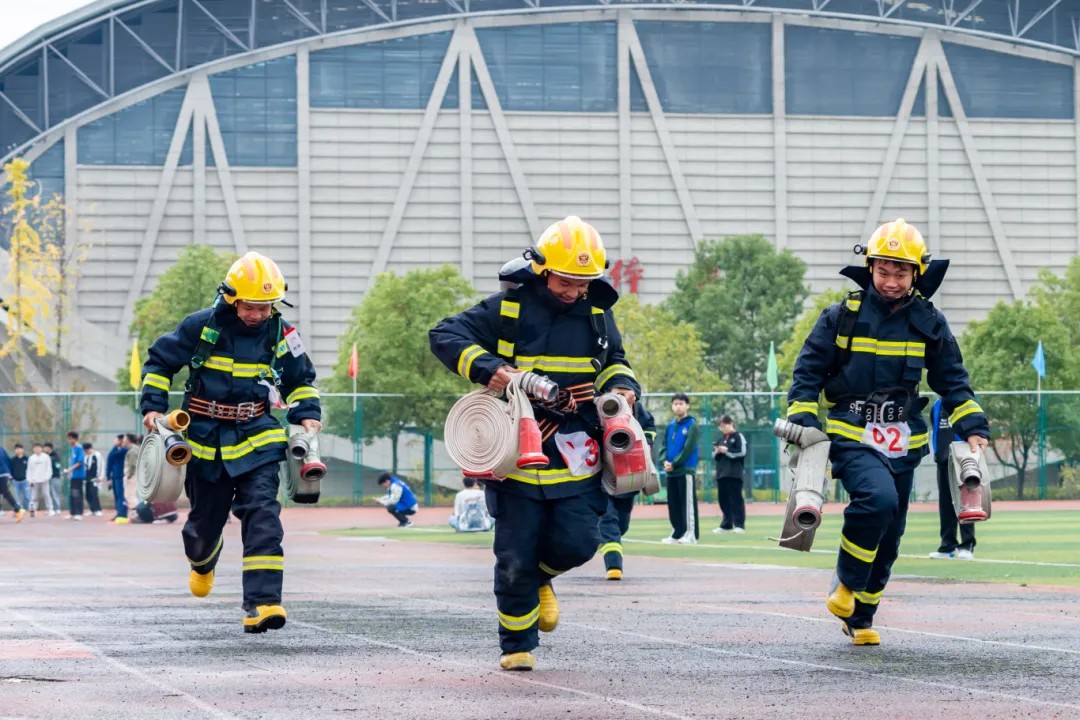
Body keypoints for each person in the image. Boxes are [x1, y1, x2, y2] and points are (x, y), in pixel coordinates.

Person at [429, 216, 640, 671]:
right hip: (515, 456)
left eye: (583, 282)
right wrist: (492, 370)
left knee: (580, 543)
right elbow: (444, 335)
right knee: (514, 555)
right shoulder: (507, 309)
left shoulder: (599, 313)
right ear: (543, 270)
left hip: (577, 453)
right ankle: (516, 645)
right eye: (566, 280)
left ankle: (543, 578)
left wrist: (622, 388)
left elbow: (613, 362)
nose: (573, 290)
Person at [786, 218, 990, 646]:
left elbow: (953, 381)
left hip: (905, 440)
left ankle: (862, 615)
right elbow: (807, 372)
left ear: (917, 273)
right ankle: (846, 582)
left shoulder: (930, 322)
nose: (891, 281)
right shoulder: (841, 316)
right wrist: (803, 417)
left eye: (900, 272)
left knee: (892, 534)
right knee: (876, 501)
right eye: (883, 271)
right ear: (870, 268)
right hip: (851, 433)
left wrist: (973, 427)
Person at [140, 251, 321, 634]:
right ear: (231, 297)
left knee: (263, 516)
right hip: (204, 440)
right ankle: (203, 559)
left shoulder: (284, 334)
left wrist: (307, 413)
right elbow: (159, 363)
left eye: (265, 307)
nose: (258, 314)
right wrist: (152, 408)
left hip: (258, 437)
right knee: (204, 526)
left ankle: (263, 602)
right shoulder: (199, 327)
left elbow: (300, 380)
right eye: (251, 306)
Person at [597, 403, 657, 581]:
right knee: (608, 521)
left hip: (630, 473)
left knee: (621, 525)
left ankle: (607, 539)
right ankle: (614, 565)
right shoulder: (601, 405)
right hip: (603, 474)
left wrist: (646, 443)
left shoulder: (638, 409)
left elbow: (649, 428)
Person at [929, 397, 976, 560]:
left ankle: (967, 545)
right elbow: (935, 429)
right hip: (942, 459)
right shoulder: (936, 405)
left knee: (965, 502)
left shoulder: (963, 400)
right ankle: (947, 545)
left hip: (962, 458)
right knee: (945, 504)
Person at [660, 393, 699, 545]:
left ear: (687, 406)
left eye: (681, 403)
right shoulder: (671, 426)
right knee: (674, 504)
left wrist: (675, 463)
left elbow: (688, 448)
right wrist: (665, 461)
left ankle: (691, 534)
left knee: (687, 504)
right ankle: (677, 532)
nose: (678, 406)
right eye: (675, 404)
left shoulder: (692, 425)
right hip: (670, 472)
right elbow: (663, 445)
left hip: (685, 470)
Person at [712, 415, 747, 534]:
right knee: (723, 500)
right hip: (722, 474)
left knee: (736, 500)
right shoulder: (720, 438)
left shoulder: (738, 436)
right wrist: (717, 451)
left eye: (724, 425)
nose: (723, 428)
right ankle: (726, 524)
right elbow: (715, 457)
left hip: (734, 474)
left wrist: (726, 451)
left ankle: (739, 525)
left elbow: (742, 453)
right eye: (721, 426)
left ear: (731, 423)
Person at [62, 431, 87, 520]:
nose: (69, 440)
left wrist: (70, 469)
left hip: (79, 475)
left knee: (77, 494)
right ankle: (72, 512)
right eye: (68, 439)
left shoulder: (79, 448)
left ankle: (79, 513)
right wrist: (69, 471)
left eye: (70, 438)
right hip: (73, 476)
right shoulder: (72, 449)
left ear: (75, 439)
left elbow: (80, 462)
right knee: (72, 494)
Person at [106, 434, 129, 523]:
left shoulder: (126, 450)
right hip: (115, 476)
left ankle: (122, 513)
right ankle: (119, 512)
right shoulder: (114, 450)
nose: (114, 442)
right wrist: (108, 477)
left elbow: (114, 456)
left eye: (116, 440)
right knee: (117, 495)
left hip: (123, 476)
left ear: (121, 441)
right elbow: (109, 462)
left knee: (121, 495)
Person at [0, 445, 26, 522]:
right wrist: (9, 473)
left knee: (5, 492)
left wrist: (9, 473)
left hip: (2, 474)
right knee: (5, 492)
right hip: (4, 473)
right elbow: (8, 460)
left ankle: (18, 509)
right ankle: (18, 509)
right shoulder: (2, 449)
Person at [27, 443, 54, 517]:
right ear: (33, 449)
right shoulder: (31, 458)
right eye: (35, 448)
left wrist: (47, 477)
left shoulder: (46, 457)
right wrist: (29, 479)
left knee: (46, 495)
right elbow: (29, 470)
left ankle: (50, 509)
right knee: (34, 497)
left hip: (44, 480)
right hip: (34, 480)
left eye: (38, 448)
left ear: (41, 449)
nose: (37, 449)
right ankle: (33, 510)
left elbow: (49, 468)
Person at [83, 442, 105, 517]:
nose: (87, 452)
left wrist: (101, 477)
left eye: (87, 450)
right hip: (87, 478)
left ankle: (98, 509)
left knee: (94, 494)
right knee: (87, 494)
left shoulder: (97, 455)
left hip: (95, 478)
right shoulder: (86, 457)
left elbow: (101, 466)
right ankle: (92, 509)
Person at [44, 442, 63, 515]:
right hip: (46, 478)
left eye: (45, 448)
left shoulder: (55, 455)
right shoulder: (45, 456)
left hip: (55, 477)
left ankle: (57, 508)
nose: (44, 449)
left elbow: (57, 465)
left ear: (49, 448)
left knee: (55, 493)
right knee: (47, 494)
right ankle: (49, 508)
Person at [10, 444, 30, 513]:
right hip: (15, 481)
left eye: (19, 448)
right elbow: (11, 470)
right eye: (16, 449)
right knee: (17, 498)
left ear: (23, 450)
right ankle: (20, 511)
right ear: (14, 450)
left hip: (25, 481)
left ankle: (28, 510)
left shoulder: (27, 459)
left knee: (27, 496)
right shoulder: (12, 460)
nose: (18, 450)